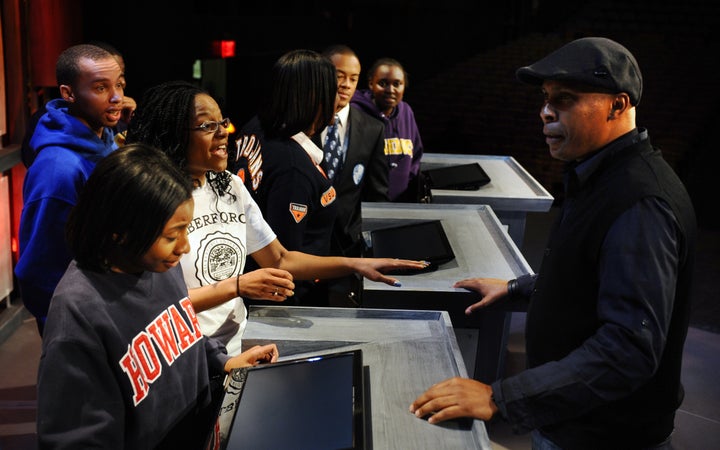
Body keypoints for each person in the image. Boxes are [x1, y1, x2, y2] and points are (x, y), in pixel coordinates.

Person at [409, 37, 697, 450]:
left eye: (564, 99)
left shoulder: (640, 201)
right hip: (572, 423)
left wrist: (498, 397)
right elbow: (590, 276)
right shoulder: (601, 173)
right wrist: (515, 288)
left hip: (604, 437)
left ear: (617, 105)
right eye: (545, 99)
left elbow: (627, 350)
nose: (544, 112)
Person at [125, 80, 427, 354]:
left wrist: (356, 265)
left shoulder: (230, 185)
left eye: (223, 122)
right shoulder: (152, 202)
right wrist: (238, 286)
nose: (223, 133)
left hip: (238, 346)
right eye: (207, 126)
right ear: (174, 134)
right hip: (184, 354)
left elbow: (280, 259)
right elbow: (155, 305)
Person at [36, 144, 278, 449]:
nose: (185, 246)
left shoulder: (159, 265)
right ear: (120, 232)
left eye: (186, 230)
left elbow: (182, 335)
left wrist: (224, 363)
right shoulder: (78, 316)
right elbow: (76, 438)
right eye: (171, 236)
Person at [15, 43, 125, 335]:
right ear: (68, 93)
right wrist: (66, 330)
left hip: (113, 307)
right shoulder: (57, 169)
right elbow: (38, 268)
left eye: (120, 85)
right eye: (101, 88)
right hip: (79, 324)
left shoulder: (109, 140)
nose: (117, 98)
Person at [317, 44, 389, 258]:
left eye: (353, 78)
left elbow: (377, 194)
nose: (346, 85)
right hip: (304, 243)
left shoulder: (373, 129)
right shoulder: (301, 125)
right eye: (339, 76)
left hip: (348, 247)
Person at [351, 57, 424, 202]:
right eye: (383, 83)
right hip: (363, 205)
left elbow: (416, 154)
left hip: (400, 204)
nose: (390, 90)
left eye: (397, 84)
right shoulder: (355, 112)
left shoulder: (406, 112)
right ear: (371, 83)